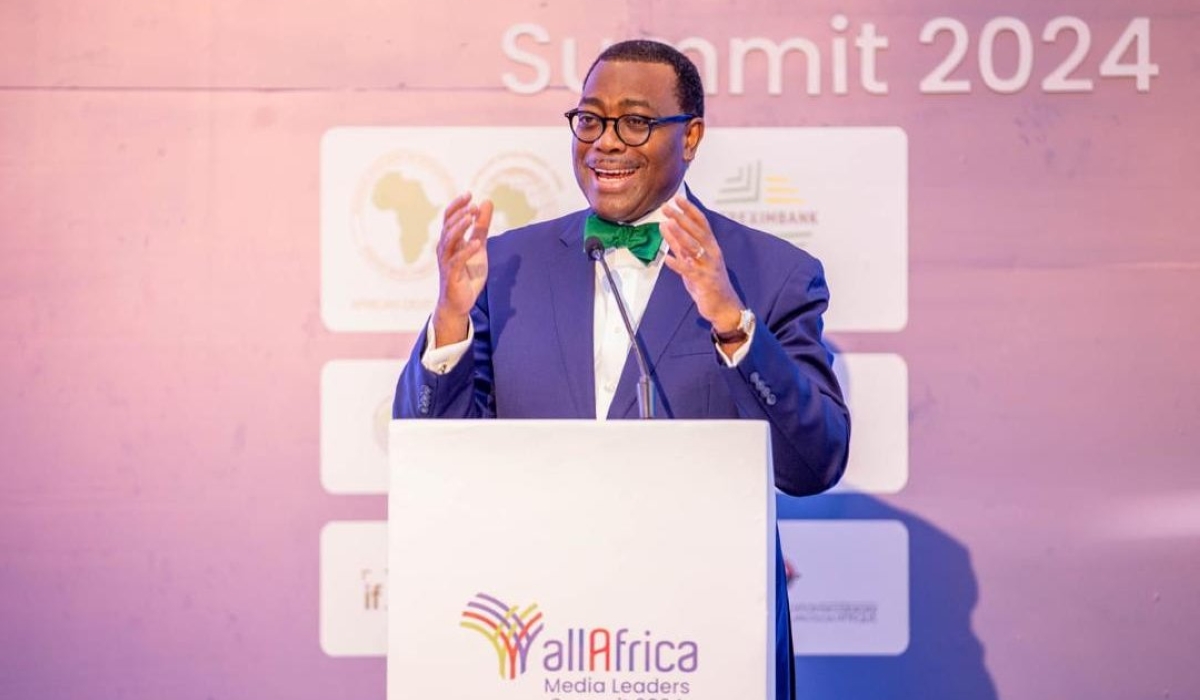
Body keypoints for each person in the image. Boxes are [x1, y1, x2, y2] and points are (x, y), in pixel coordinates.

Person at [394, 39, 850, 700]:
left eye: (635, 122)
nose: (605, 142)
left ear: (690, 136)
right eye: (590, 119)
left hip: (698, 646)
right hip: (534, 643)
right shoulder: (505, 269)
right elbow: (432, 465)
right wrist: (450, 322)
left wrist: (731, 323)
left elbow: (814, 465)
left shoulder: (772, 276)